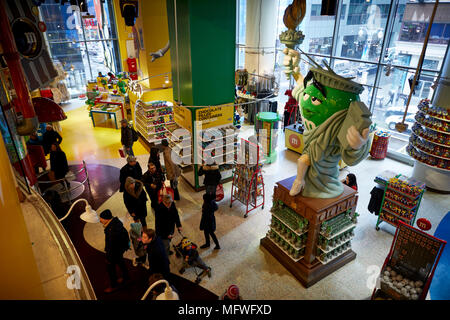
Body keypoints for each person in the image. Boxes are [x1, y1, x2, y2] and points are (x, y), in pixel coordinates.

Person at [99, 209, 130, 293]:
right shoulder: (116, 223)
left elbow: (111, 245)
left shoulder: (111, 230)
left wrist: (109, 257)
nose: (100, 220)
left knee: (111, 269)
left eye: (101, 218)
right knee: (121, 263)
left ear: (106, 219)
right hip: (119, 251)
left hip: (114, 253)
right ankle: (126, 277)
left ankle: (114, 285)